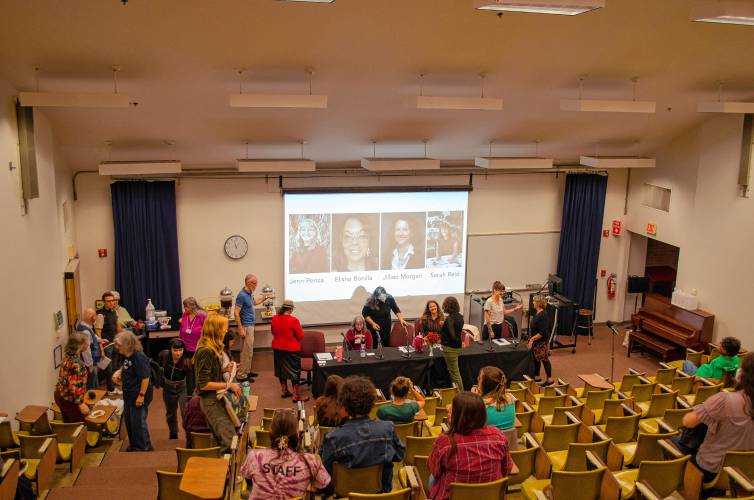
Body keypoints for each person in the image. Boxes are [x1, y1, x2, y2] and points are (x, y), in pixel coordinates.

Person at [678, 352, 754, 487]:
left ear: (743, 374)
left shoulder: (724, 399)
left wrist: (704, 407)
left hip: (711, 468)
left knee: (672, 439)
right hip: (745, 473)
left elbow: (687, 422)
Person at [321, 376, 406, 493]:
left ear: (344, 405)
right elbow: (399, 455)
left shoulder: (332, 438)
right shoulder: (388, 428)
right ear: (372, 402)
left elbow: (325, 474)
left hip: (345, 495)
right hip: (380, 494)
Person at [427, 392, 515, 500]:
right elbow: (506, 469)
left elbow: (434, 470)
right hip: (490, 496)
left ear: (457, 416)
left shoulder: (444, 442)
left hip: (453, 496)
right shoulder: (498, 437)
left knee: (433, 478)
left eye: (452, 410)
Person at [241, 408, 331, 499]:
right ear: (297, 434)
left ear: (270, 432)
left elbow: (248, 481)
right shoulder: (311, 461)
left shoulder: (254, 456)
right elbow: (325, 487)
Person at [195, 313, 242, 453]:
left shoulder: (210, 348)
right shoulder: (206, 351)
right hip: (211, 401)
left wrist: (223, 370)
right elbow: (203, 384)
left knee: (218, 439)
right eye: (224, 328)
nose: (226, 331)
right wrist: (229, 385)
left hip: (214, 398)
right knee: (229, 441)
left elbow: (209, 374)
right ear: (215, 330)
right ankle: (224, 472)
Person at [113, 330, 153, 452]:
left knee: (138, 422)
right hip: (129, 393)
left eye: (119, 345)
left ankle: (143, 447)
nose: (117, 348)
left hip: (138, 394)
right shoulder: (128, 354)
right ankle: (135, 445)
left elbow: (145, 377)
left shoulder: (139, 356)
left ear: (128, 344)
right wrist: (119, 372)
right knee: (130, 421)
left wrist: (141, 396)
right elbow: (126, 366)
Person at [271, 300, 308, 402]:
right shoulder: (294, 320)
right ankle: (296, 396)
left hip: (277, 348)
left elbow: (273, 332)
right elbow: (300, 336)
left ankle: (284, 391)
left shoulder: (274, 318)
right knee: (295, 372)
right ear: (291, 309)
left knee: (281, 370)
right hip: (291, 349)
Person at [234, 274, 269, 381]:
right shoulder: (242, 295)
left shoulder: (249, 293)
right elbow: (236, 313)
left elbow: (255, 302)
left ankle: (247, 371)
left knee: (249, 351)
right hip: (246, 326)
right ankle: (241, 375)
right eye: (254, 283)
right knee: (246, 351)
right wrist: (240, 328)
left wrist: (265, 297)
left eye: (256, 282)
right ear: (248, 283)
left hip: (250, 325)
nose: (256, 285)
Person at [158, 338, 192, 439]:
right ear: (170, 349)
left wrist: (191, 395)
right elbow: (158, 367)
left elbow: (190, 380)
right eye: (175, 350)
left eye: (180, 350)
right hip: (168, 387)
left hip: (182, 388)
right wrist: (161, 382)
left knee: (184, 412)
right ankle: (173, 433)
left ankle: (188, 435)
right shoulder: (163, 355)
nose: (178, 353)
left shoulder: (187, 360)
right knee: (170, 413)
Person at [54, 333, 90, 423]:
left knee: (68, 425)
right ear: (80, 345)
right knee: (79, 428)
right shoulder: (77, 364)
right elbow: (72, 386)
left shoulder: (67, 356)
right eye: (86, 342)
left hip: (60, 394)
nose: (88, 344)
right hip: (70, 400)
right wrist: (80, 404)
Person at [95, 291, 122, 393]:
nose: (111, 303)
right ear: (104, 302)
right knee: (107, 368)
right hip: (106, 345)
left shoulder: (114, 312)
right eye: (109, 301)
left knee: (115, 365)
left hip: (115, 343)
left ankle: (111, 383)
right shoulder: (100, 315)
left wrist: (122, 338)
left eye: (113, 300)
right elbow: (98, 332)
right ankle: (110, 389)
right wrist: (101, 346)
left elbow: (117, 326)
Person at [474, 366, 516, 431]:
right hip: (509, 440)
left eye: (479, 378)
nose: (477, 379)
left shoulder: (480, 406)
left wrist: (474, 398)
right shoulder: (510, 398)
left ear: (486, 385)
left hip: (489, 440)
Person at [440, 296, 466, 391]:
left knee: (455, 373)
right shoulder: (460, 317)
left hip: (450, 348)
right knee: (454, 372)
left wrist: (459, 342)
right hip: (456, 348)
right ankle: (457, 392)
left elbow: (453, 336)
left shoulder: (450, 318)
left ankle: (460, 394)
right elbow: (456, 331)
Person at [528, 294, 554, 386]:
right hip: (536, 342)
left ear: (538, 303)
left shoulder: (542, 315)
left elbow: (542, 332)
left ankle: (550, 380)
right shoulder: (538, 313)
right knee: (536, 359)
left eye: (534, 301)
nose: (533, 303)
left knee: (544, 359)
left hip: (540, 342)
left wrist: (532, 339)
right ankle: (537, 377)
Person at [77, 307, 104, 390]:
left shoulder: (84, 325)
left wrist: (99, 340)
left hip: (92, 360)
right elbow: (86, 351)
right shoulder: (85, 331)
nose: (95, 318)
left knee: (94, 381)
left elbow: (92, 335)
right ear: (91, 317)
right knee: (92, 384)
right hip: (90, 362)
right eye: (94, 316)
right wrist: (90, 365)